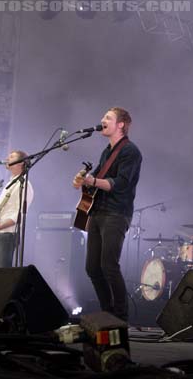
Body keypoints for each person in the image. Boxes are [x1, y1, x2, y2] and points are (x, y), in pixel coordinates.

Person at [73, 107, 142, 322]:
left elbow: (120, 184)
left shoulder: (130, 151)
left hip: (116, 213)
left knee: (109, 265)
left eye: (108, 118)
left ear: (121, 124)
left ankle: (120, 317)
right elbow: (97, 176)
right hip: (98, 211)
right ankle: (107, 312)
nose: (102, 120)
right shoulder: (107, 151)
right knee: (92, 267)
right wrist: (83, 179)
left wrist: (92, 181)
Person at [0, 150, 34, 268]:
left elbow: (19, 214)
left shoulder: (24, 185)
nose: (7, 159)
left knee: (2, 272)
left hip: (7, 234)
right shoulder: (10, 184)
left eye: (12, 157)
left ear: (21, 163)